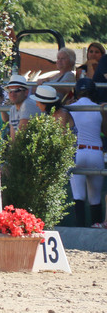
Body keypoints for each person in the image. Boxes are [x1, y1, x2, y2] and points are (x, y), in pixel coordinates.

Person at [67, 78, 104, 228]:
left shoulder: (69, 108)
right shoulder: (100, 109)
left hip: (78, 152)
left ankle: (79, 229)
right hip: (96, 152)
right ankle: (96, 228)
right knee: (95, 198)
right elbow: (105, 131)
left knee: (78, 196)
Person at [4, 75, 39, 139]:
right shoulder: (13, 109)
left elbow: (21, 135)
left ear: (26, 92)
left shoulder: (28, 104)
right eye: (10, 90)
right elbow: (13, 139)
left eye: (17, 90)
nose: (12, 94)